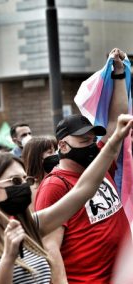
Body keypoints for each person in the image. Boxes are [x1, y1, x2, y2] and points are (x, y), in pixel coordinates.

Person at [0, 113, 133, 283]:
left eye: (25, 180)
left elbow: (83, 189)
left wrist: (116, 137)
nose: (23, 186)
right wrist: (8, 258)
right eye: (14, 181)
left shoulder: (30, 226)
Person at [35, 48, 129, 283]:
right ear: (63, 146)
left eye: (92, 140)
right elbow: (51, 249)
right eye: (83, 141)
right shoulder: (54, 187)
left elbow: (115, 123)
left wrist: (118, 74)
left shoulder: (98, 162)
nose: (91, 145)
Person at [21, 136, 58, 210]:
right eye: (50, 152)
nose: (55, 155)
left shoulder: (55, 178)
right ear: (36, 157)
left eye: (55, 151)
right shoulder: (31, 188)